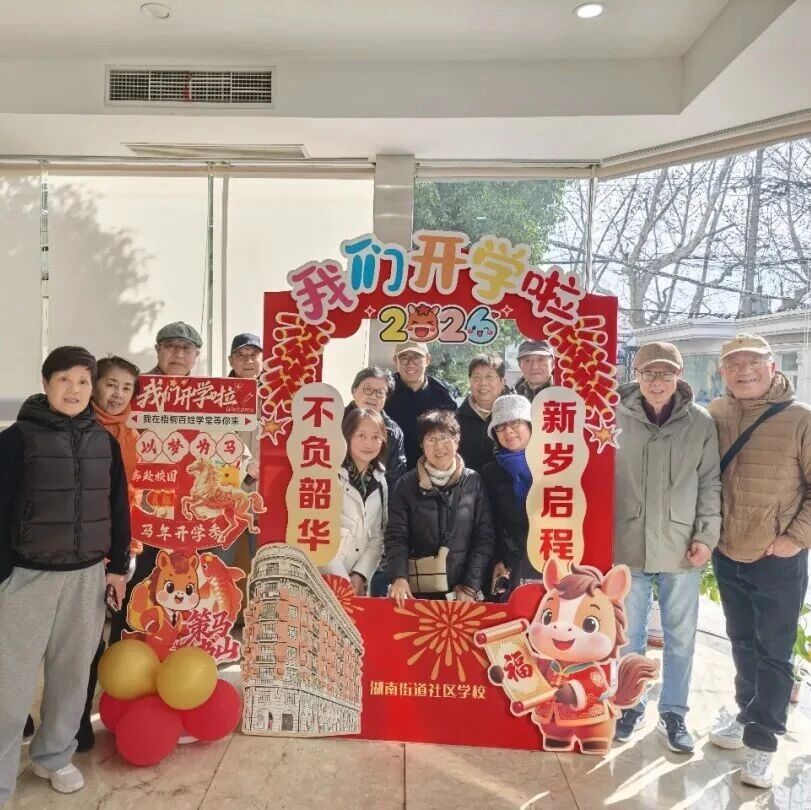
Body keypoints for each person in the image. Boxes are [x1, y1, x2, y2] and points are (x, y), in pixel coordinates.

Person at [0, 347, 130, 802]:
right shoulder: (15, 440)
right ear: (45, 383)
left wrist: (117, 567)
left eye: (82, 381)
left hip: (86, 577)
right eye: (64, 379)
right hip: (26, 577)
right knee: (10, 682)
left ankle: (53, 757)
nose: (74, 389)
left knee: (72, 676)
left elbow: (118, 507)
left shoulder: (104, 443)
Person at [707, 334, 810, 789]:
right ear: (722, 372)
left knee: (773, 651)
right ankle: (747, 714)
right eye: (734, 364)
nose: (744, 370)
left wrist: (795, 538)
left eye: (753, 362)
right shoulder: (716, 413)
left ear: (772, 366)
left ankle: (763, 743)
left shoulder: (801, 418)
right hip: (727, 550)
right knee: (741, 641)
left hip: (777, 557)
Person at [611, 342, 721, 755]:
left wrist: (705, 536)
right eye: (649, 373)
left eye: (665, 373)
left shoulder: (700, 422)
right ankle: (630, 705)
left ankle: (674, 712)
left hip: (681, 544)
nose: (657, 382)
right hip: (627, 542)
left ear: (679, 375)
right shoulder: (613, 416)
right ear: (636, 375)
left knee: (680, 636)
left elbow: (709, 482)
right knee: (629, 634)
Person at [109, 323, 203, 646]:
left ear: (196, 356)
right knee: (138, 576)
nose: (178, 353)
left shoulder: (208, 395)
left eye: (186, 348)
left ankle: (176, 649)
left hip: (189, 509)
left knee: (184, 580)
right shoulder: (135, 389)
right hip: (141, 503)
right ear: (158, 350)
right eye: (171, 346)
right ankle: (124, 647)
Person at [385, 410, 495, 606]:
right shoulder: (406, 485)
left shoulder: (473, 481)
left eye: (445, 438)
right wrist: (399, 577)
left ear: (457, 440)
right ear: (422, 445)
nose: (439, 446)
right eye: (431, 439)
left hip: (462, 593)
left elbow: (484, 536)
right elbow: (396, 535)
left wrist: (469, 586)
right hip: (418, 592)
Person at [320, 408, 388, 596]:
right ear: (347, 436)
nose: (369, 443)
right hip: (325, 576)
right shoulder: (329, 473)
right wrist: (342, 580)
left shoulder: (380, 480)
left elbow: (377, 536)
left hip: (356, 582)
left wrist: (360, 574)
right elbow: (317, 531)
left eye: (376, 437)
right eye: (361, 435)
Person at [480, 395, 537, 600]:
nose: (508, 431)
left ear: (530, 425)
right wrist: (497, 558)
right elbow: (489, 522)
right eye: (500, 426)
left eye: (515, 422)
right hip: (511, 562)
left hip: (551, 554)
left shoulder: (555, 464)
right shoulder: (491, 472)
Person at [385, 341, 457, 469]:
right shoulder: (384, 390)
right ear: (396, 361)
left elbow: (452, 435)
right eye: (404, 358)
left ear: (427, 360)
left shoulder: (443, 394)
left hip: (433, 468)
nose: (410, 364)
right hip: (390, 468)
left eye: (417, 357)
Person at [345, 367, 407, 490]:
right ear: (354, 390)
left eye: (380, 392)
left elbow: (396, 479)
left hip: (375, 499)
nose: (373, 396)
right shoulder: (333, 421)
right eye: (368, 389)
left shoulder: (393, 431)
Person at [457, 355, 509, 472]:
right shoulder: (456, 420)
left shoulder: (516, 417)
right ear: (470, 382)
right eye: (476, 377)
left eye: (489, 377)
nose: (483, 383)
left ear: (502, 382)